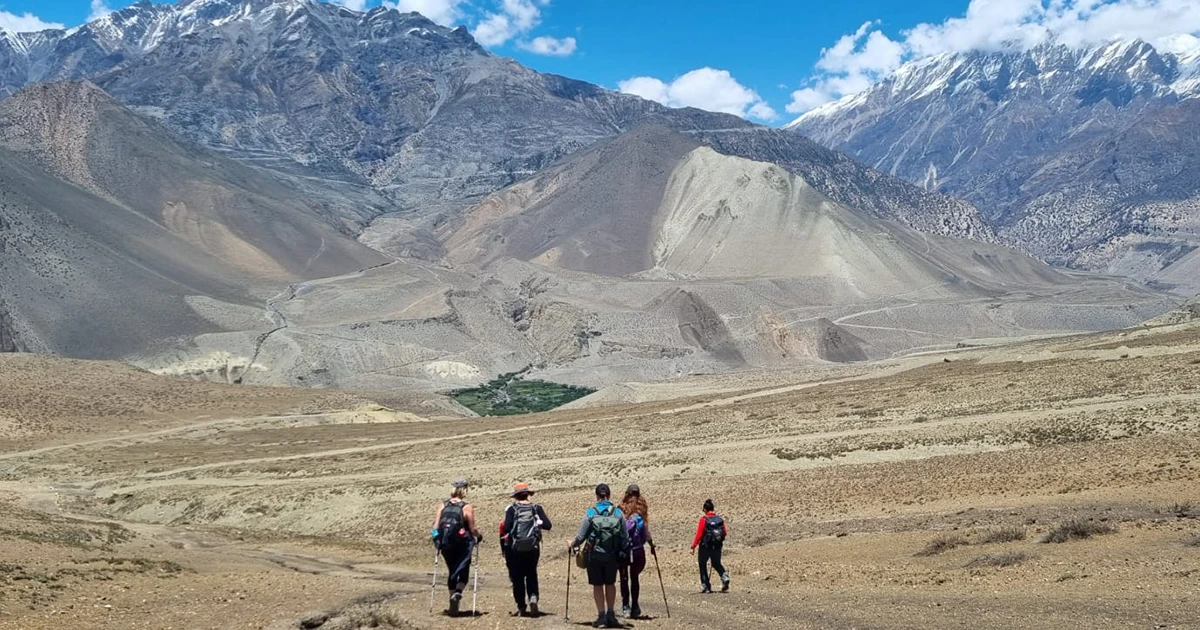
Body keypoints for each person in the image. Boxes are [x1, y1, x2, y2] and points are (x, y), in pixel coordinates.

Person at [569, 483, 630, 628]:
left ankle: (601, 617)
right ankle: (611, 614)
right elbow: (625, 537)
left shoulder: (591, 513)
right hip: (612, 555)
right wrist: (622, 551)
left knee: (597, 585)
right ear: (609, 495)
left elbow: (581, 536)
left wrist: (572, 544)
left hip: (594, 555)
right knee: (610, 583)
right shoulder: (617, 513)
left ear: (597, 496)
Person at [499, 482, 552, 617]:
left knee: (517, 577)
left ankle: (521, 606)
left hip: (515, 549)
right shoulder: (536, 508)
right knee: (531, 573)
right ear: (528, 494)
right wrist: (537, 523)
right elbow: (548, 525)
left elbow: (506, 528)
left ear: (516, 496)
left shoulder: (512, 509)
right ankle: (533, 598)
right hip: (533, 548)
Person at [431, 479, 482, 615]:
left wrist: (436, 539)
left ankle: (452, 602)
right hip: (462, 544)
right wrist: (479, 536)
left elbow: (435, 526)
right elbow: (473, 529)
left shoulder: (443, 505)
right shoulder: (466, 507)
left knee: (452, 571)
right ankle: (458, 592)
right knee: (463, 570)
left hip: (446, 544)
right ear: (465, 490)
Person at [617, 484, 655, 618]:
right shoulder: (641, 509)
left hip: (623, 550)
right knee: (635, 578)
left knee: (623, 578)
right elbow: (645, 532)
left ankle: (625, 606)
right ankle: (635, 606)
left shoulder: (620, 509)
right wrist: (651, 545)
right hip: (638, 550)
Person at [690, 498, 729, 594]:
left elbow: (699, 535)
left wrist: (693, 546)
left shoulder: (704, 520)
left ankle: (706, 586)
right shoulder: (719, 519)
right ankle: (725, 577)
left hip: (705, 546)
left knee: (702, 564)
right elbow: (724, 532)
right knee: (716, 563)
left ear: (705, 509)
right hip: (717, 546)